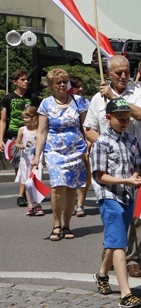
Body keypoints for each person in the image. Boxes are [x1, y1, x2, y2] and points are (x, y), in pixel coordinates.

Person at [84, 55, 141, 278]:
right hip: (109, 161)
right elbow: (88, 128)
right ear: (109, 74)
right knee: (114, 209)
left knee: (138, 213)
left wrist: (112, 96)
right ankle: (112, 248)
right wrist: (108, 143)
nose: (123, 76)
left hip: (136, 159)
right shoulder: (96, 99)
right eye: (118, 73)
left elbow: (140, 114)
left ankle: (132, 258)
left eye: (126, 71)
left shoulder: (137, 92)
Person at [91, 97, 141, 308]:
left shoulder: (131, 140)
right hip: (109, 197)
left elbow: (137, 165)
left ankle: (102, 274)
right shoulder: (101, 143)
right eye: (120, 119)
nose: (124, 122)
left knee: (115, 241)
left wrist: (136, 176)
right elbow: (100, 176)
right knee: (120, 244)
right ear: (108, 118)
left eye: (127, 119)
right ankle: (125, 293)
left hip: (127, 196)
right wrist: (127, 180)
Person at [32, 68, 88, 241]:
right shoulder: (46, 104)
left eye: (65, 81)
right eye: (58, 82)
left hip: (76, 149)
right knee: (57, 187)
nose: (63, 85)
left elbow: (85, 127)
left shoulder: (79, 102)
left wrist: (89, 147)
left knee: (71, 188)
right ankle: (56, 224)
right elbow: (41, 132)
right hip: (54, 150)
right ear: (51, 85)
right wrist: (37, 156)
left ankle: (67, 224)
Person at [0, 70, 41, 207]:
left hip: (30, 134)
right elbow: (3, 120)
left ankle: (24, 193)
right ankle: (23, 192)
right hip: (14, 134)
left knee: (29, 163)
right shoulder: (8, 98)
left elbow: (39, 117)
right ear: (15, 82)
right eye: (22, 80)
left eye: (26, 79)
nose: (26, 82)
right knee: (19, 164)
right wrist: (1, 139)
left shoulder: (33, 98)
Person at [15, 106, 43, 216]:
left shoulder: (40, 130)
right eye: (24, 118)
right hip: (25, 160)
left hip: (37, 159)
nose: (25, 120)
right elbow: (16, 143)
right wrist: (20, 145)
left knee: (36, 181)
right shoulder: (22, 129)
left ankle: (38, 204)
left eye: (27, 117)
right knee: (27, 182)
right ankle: (30, 205)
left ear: (35, 118)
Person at [69, 75, 90, 218]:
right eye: (77, 86)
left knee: (82, 174)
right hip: (64, 145)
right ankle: (69, 203)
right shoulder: (59, 102)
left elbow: (87, 124)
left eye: (81, 86)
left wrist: (88, 140)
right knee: (68, 175)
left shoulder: (84, 102)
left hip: (81, 143)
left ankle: (80, 204)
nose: (80, 89)